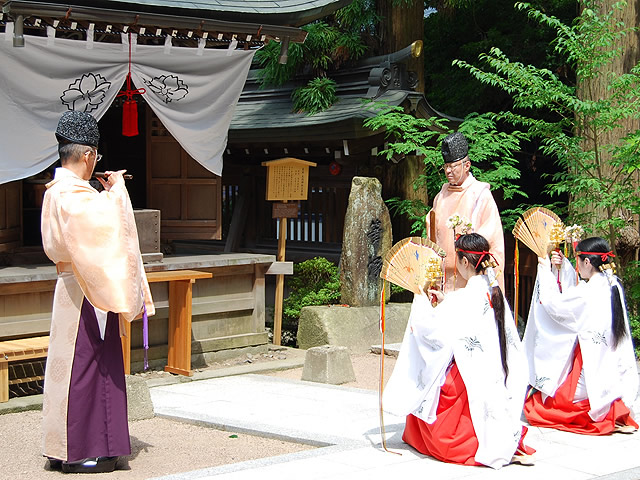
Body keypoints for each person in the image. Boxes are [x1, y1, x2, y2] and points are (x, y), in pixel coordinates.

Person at [41, 111, 154, 473]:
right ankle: (81, 449)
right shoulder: (71, 193)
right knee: (86, 366)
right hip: (86, 291)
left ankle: (88, 445)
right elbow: (102, 230)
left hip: (75, 289)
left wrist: (107, 195)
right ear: (88, 155)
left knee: (85, 364)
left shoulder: (60, 191)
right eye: (96, 158)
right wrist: (118, 192)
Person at [383, 233, 534, 468]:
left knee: (430, 391)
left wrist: (419, 299)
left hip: (466, 375)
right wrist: (446, 300)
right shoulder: (493, 291)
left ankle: (476, 445)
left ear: (465, 262)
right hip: (495, 373)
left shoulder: (465, 298)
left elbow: (433, 334)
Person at [523, 237, 638, 435]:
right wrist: (562, 267)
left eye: (577, 261)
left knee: (540, 407)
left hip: (589, 366)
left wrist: (545, 271)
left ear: (587, 262)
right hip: (610, 364)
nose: (576, 267)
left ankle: (605, 414)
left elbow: (554, 305)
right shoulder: (613, 283)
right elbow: (574, 296)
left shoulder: (587, 292)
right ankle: (615, 410)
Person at [425, 132, 505, 291]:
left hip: (470, 276)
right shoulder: (440, 196)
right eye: (446, 166)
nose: (448, 171)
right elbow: (432, 235)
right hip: (443, 277)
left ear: (466, 165)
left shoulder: (480, 195)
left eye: (453, 166)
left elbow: (490, 237)